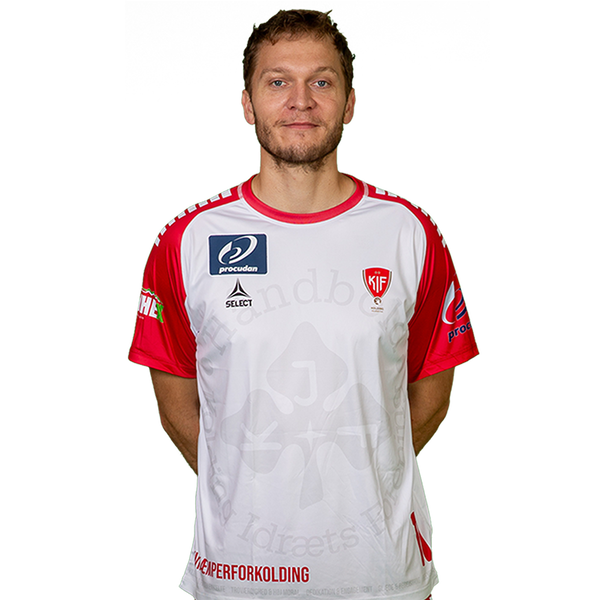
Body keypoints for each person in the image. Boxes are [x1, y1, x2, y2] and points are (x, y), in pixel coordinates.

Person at [125, 7, 482, 600]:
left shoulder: (410, 231)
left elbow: (432, 396)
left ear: (351, 104)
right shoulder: (185, 239)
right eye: (277, 81)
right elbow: (176, 404)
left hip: (381, 577)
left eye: (321, 81)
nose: (300, 100)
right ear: (246, 105)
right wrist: (246, 487)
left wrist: (365, 472)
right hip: (237, 577)